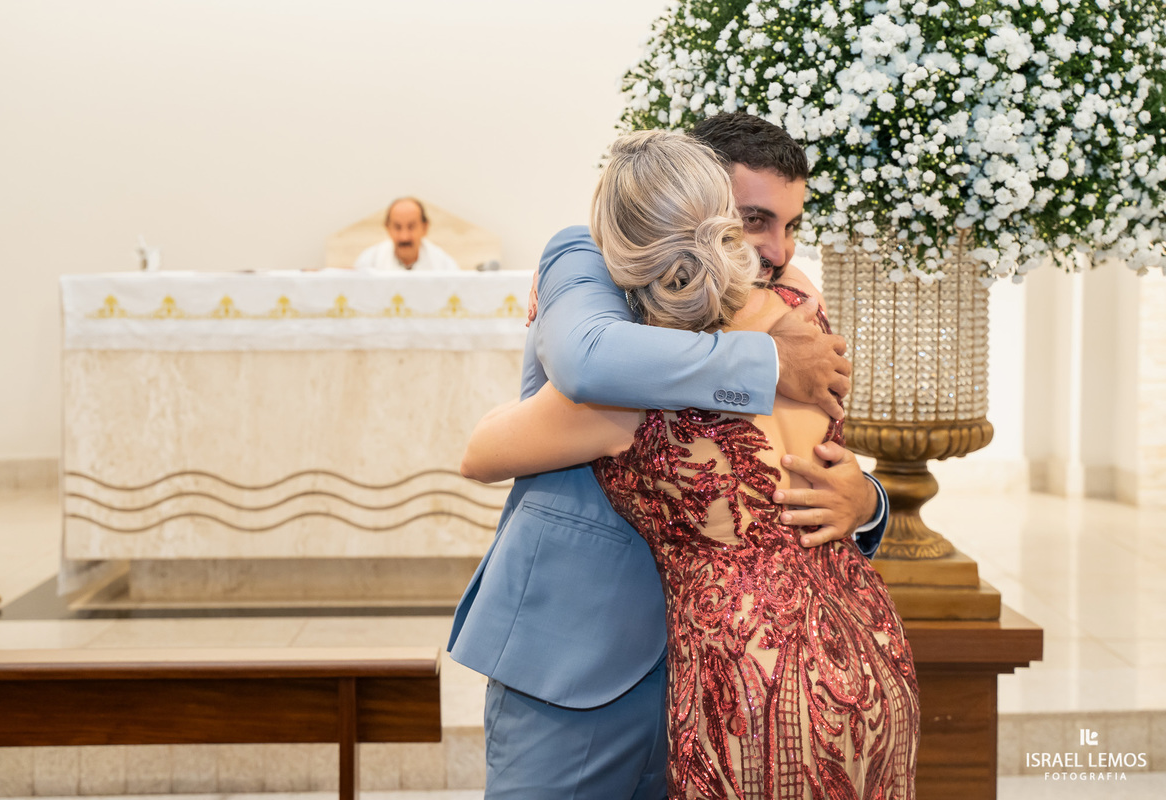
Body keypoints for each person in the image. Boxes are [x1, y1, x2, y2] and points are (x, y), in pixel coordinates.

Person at [462, 130, 918, 799]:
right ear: (696, 192)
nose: (778, 251)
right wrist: (767, 362)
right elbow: (588, 365)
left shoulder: (791, 299)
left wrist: (868, 500)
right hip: (586, 661)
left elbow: (809, 465)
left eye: (791, 226)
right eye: (754, 220)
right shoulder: (592, 263)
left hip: (736, 676)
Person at [352, 197, 459, 271]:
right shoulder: (368, 263)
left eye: (411, 227)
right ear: (388, 228)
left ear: (425, 228)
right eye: (397, 227)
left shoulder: (444, 266)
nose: (404, 237)